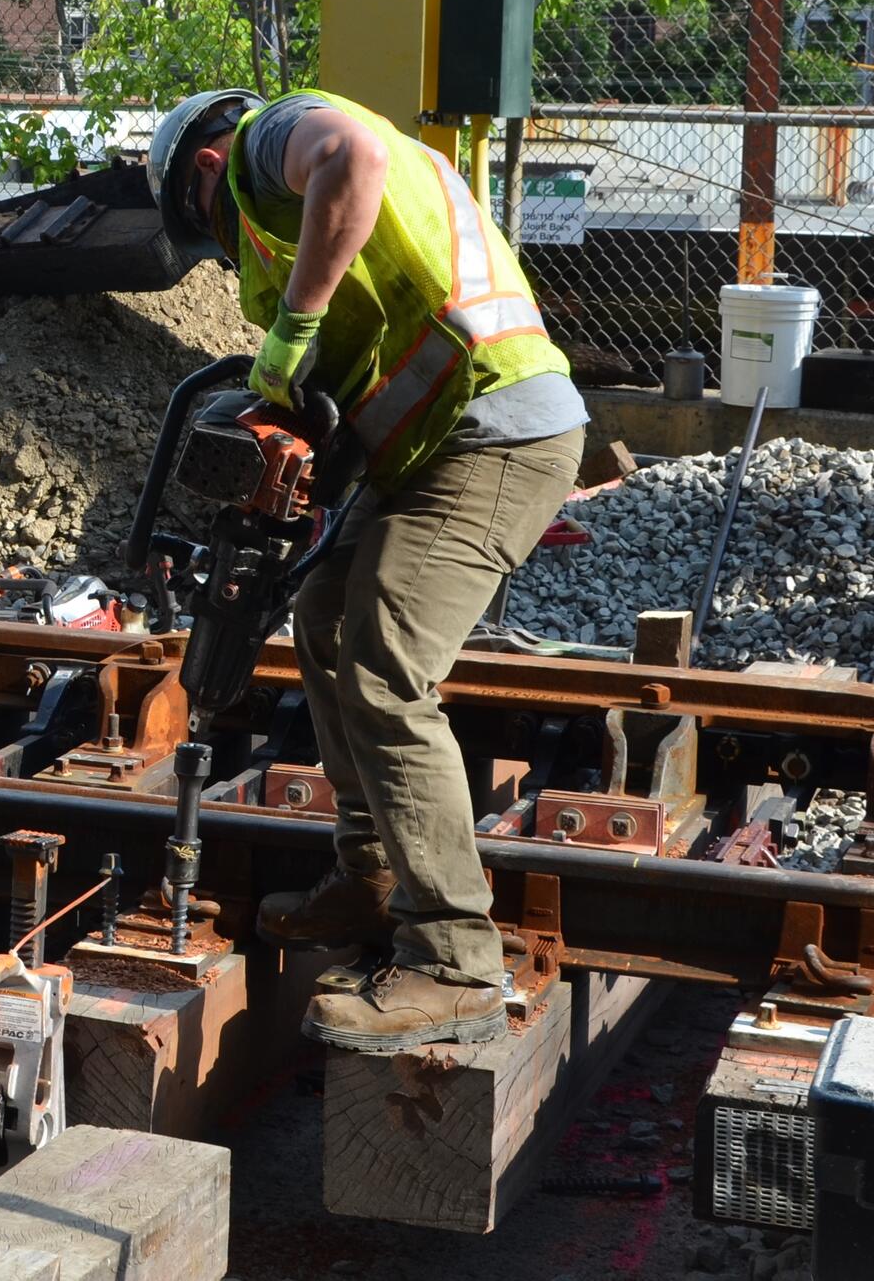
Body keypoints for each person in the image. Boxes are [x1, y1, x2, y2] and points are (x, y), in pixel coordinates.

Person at [146, 86, 586, 1052]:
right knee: (325, 618)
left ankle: (454, 958)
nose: (232, 259)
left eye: (215, 237)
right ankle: (372, 872)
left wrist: (293, 327)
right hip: (436, 439)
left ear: (206, 174)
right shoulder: (292, 218)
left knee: (385, 666)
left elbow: (353, 157)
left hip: (495, 428)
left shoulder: (269, 145)